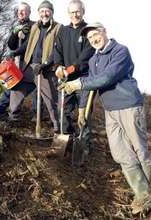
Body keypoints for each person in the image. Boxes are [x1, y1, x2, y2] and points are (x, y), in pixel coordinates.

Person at [58, 22, 151, 215]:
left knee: (139, 149)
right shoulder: (94, 60)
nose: (94, 39)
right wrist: (81, 111)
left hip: (129, 106)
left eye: (96, 34)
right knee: (119, 153)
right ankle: (143, 195)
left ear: (104, 32)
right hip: (110, 111)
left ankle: (144, 198)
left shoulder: (120, 51)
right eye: (89, 38)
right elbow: (91, 86)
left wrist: (77, 83)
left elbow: (106, 78)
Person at [3, 0, 62, 135]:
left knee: (51, 100)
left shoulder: (59, 28)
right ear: (38, 13)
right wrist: (15, 52)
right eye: (41, 11)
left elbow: (58, 50)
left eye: (47, 11)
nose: (44, 14)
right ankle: (13, 118)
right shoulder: (35, 27)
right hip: (30, 67)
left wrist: (45, 64)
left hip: (46, 69)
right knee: (16, 88)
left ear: (52, 12)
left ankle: (58, 126)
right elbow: (27, 45)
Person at [0, 2, 45, 122]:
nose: (20, 12)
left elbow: (34, 43)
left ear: (29, 13)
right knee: (13, 87)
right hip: (20, 63)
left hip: (34, 63)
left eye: (23, 10)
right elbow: (11, 45)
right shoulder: (17, 26)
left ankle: (37, 116)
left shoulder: (34, 26)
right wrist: (15, 34)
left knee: (38, 90)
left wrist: (25, 36)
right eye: (19, 10)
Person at [54, 0, 95, 146]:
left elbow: (87, 55)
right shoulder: (63, 30)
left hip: (83, 79)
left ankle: (84, 143)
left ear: (82, 12)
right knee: (63, 110)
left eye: (77, 11)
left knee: (84, 112)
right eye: (72, 12)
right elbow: (57, 50)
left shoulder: (88, 31)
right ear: (68, 14)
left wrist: (71, 69)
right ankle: (69, 138)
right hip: (66, 80)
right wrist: (59, 66)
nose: (75, 15)